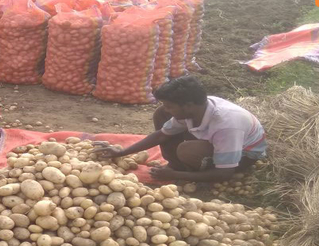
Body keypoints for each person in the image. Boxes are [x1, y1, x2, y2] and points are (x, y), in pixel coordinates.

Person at [93, 76, 266, 182]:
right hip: (218, 140)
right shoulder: (196, 109)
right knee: (161, 114)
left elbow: (224, 173)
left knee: (187, 150)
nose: (168, 109)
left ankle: (183, 170)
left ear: (188, 105)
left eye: (170, 106)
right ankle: (177, 165)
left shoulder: (227, 125)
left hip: (244, 156)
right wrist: (121, 152)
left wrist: (176, 175)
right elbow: (161, 135)